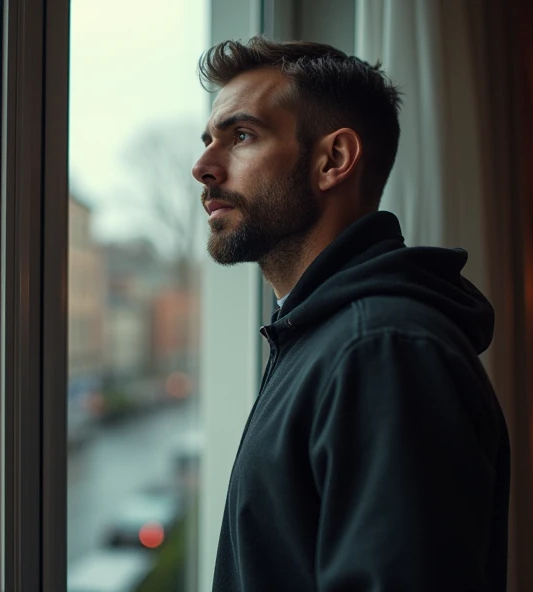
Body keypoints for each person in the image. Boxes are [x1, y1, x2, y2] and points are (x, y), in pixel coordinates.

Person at [193, 37, 510, 591]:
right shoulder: (321, 335)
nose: (203, 167)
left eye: (242, 136)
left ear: (333, 160)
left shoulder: (381, 349)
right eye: (208, 141)